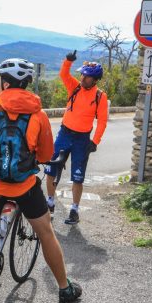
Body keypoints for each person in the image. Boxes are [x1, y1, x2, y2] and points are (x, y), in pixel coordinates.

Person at [0, 58, 82, 303]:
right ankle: (64, 288)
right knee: (46, 232)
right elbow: (46, 155)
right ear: (25, 84)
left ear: (5, 84)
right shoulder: (39, 116)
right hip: (25, 187)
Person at [44, 50, 108, 225]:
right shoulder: (75, 87)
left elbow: (102, 121)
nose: (82, 78)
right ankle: (50, 202)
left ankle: (74, 210)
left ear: (95, 80)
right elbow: (63, 74)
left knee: (77, 177)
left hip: (82, 139)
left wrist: (95, 141)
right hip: (65, 133)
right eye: (82, 75)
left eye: (86, 77)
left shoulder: (100, 96)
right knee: (51, 168)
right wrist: (68, 60)